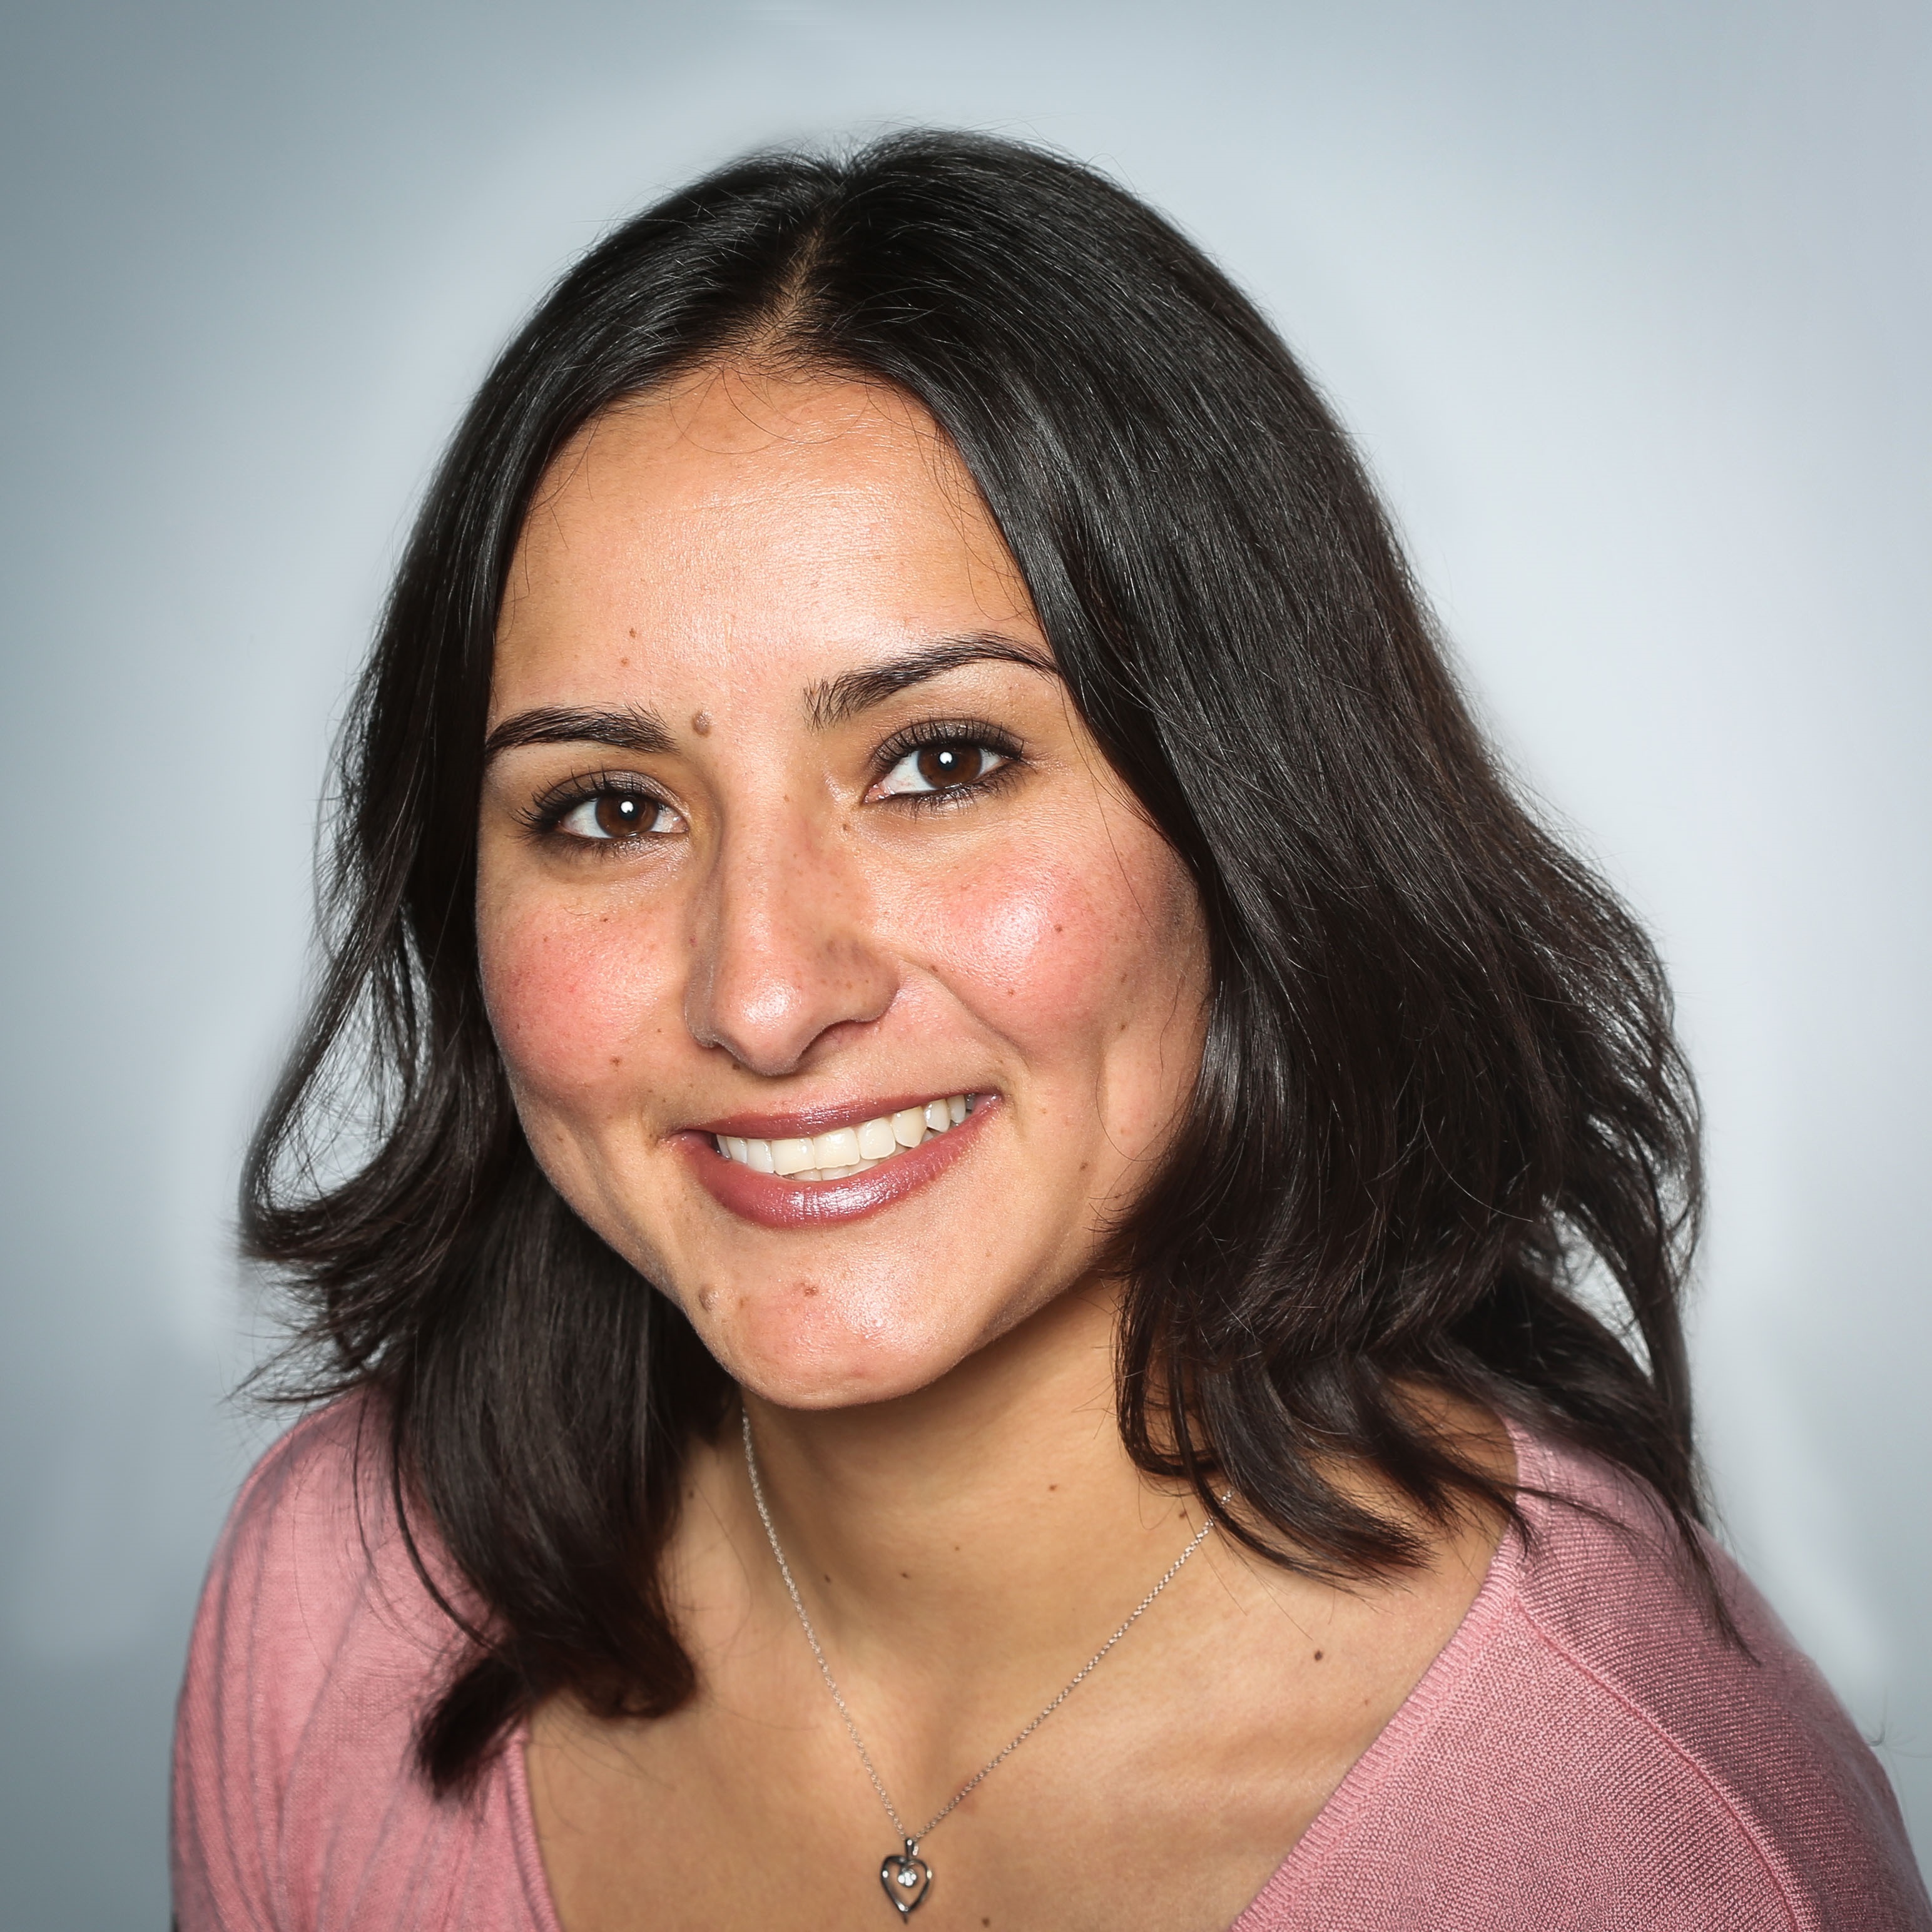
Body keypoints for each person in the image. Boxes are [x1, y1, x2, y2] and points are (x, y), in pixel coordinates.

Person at [170, 131, 1930, 1931]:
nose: (764, 997)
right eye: (612, 808)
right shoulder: (341, 1602)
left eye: (941, 764)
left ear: (1256, 821)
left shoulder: (1651, 1843)